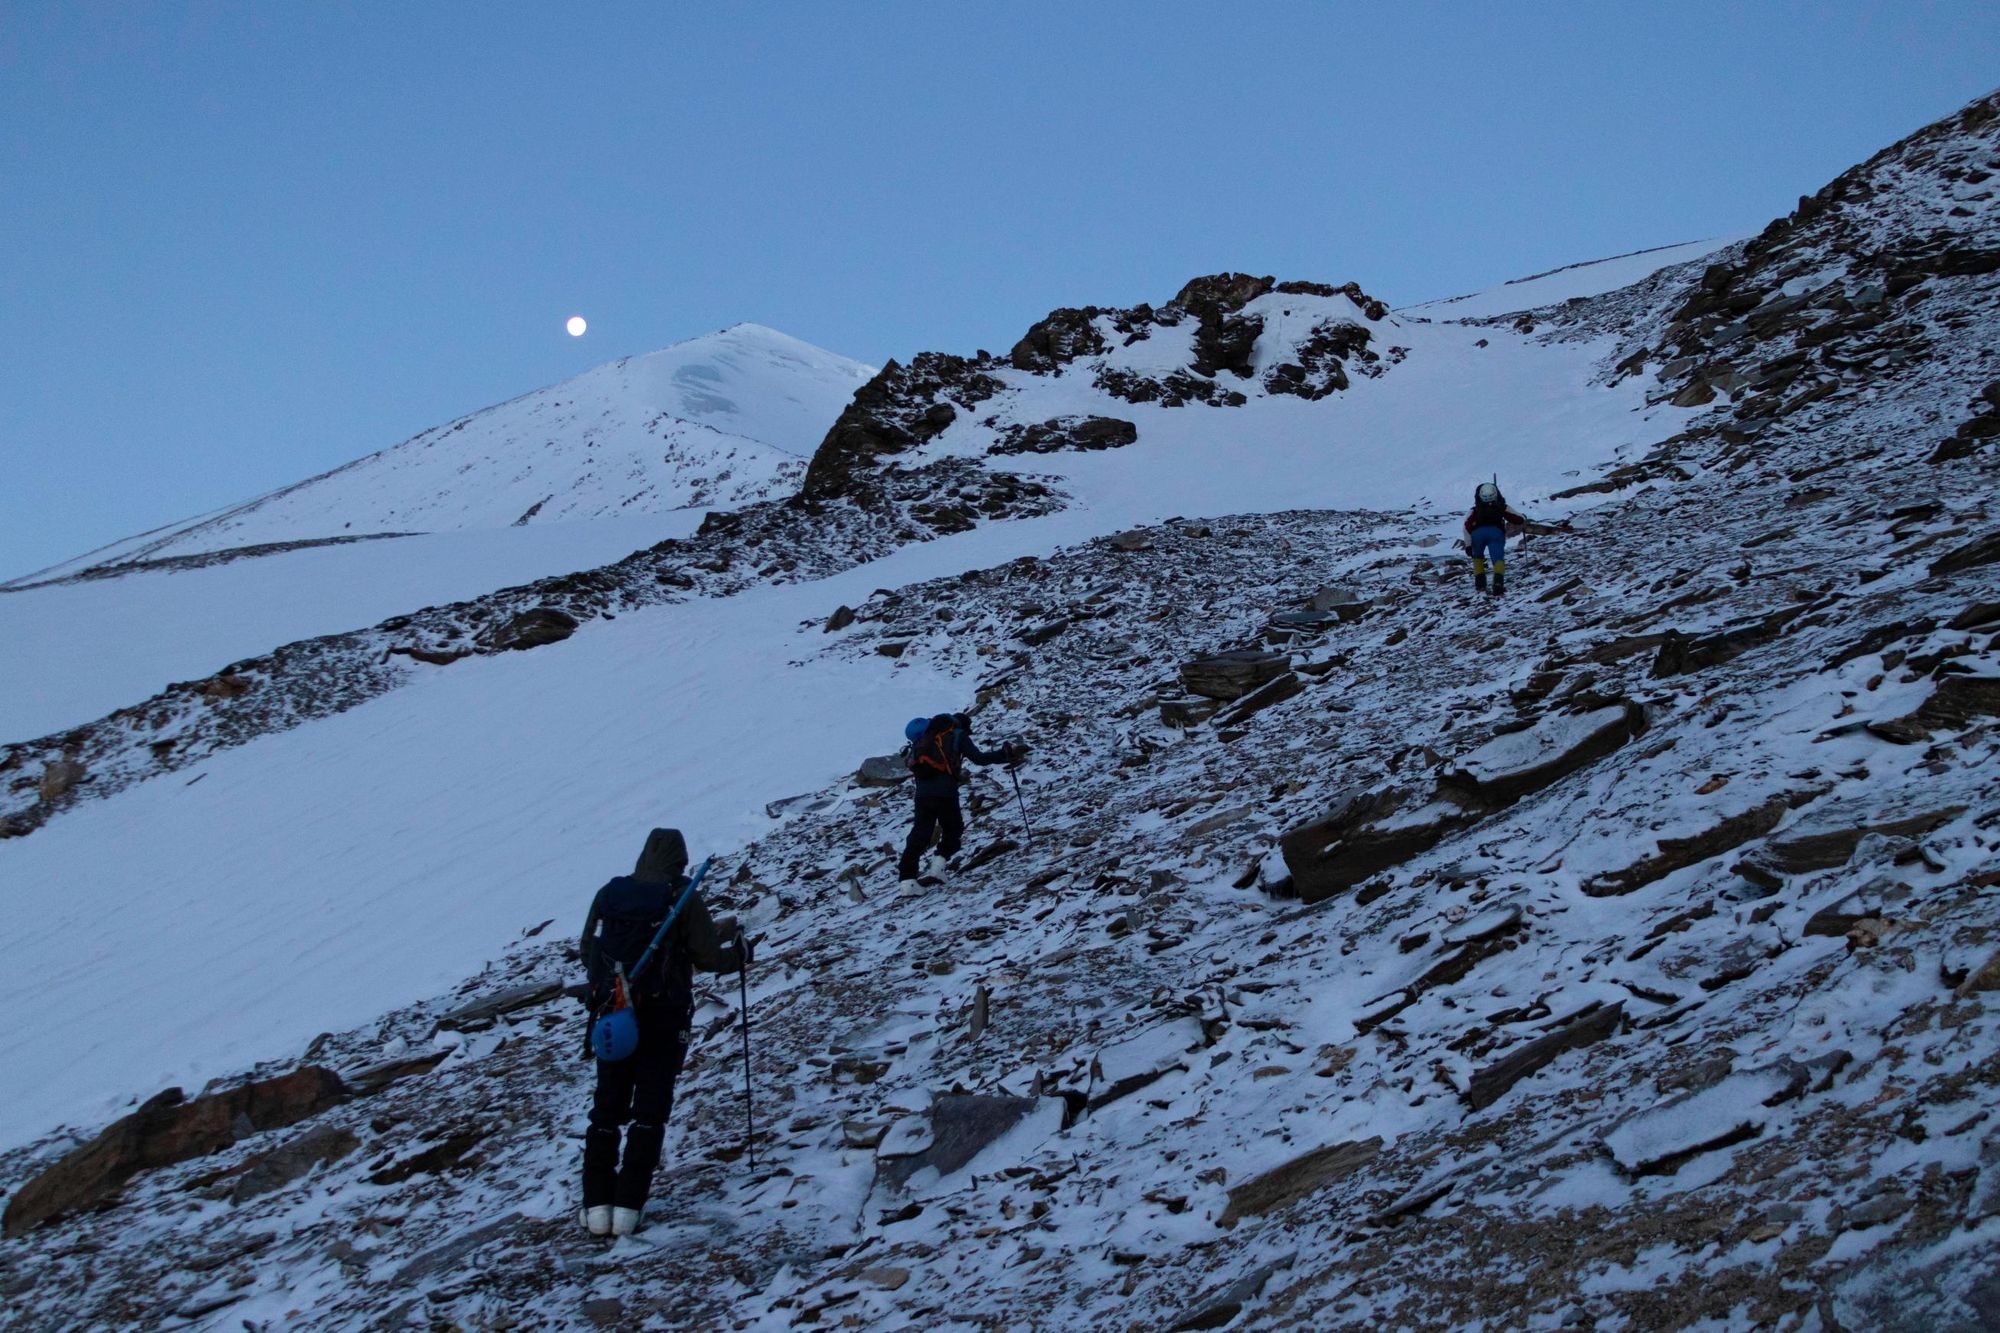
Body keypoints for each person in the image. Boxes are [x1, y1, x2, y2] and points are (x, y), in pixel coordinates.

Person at [576, 828, 748, 1238]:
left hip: (614, 1014)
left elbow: (589, 950)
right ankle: (630, 1207)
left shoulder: (610, 892)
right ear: (679, 859)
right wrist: (738, 955)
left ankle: (596, 1206)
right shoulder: (681, 896)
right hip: (664, 1017)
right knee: (649, 1110)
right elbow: (707, 956)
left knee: (606, 1108)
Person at [897, 712, 1022, 886]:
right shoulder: (957, 734)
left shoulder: (923, 740)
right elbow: (979, 759)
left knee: (920, 834)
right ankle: (938, 866)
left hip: (923, 795)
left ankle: (907, 880)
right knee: (953, 829)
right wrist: (1003, 754)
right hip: (946, 793)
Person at [1463, 482, 1527, 596]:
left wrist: (1468, 545)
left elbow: (1466, 526)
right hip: (1496, 534)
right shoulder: (1502, 507)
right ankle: (1498, 583)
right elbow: (1519, 519)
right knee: (1498, 559)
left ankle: (1480, 584)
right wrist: (1523, 518)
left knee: (1477, 557)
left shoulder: (1475, 510)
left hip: (1477, 535)